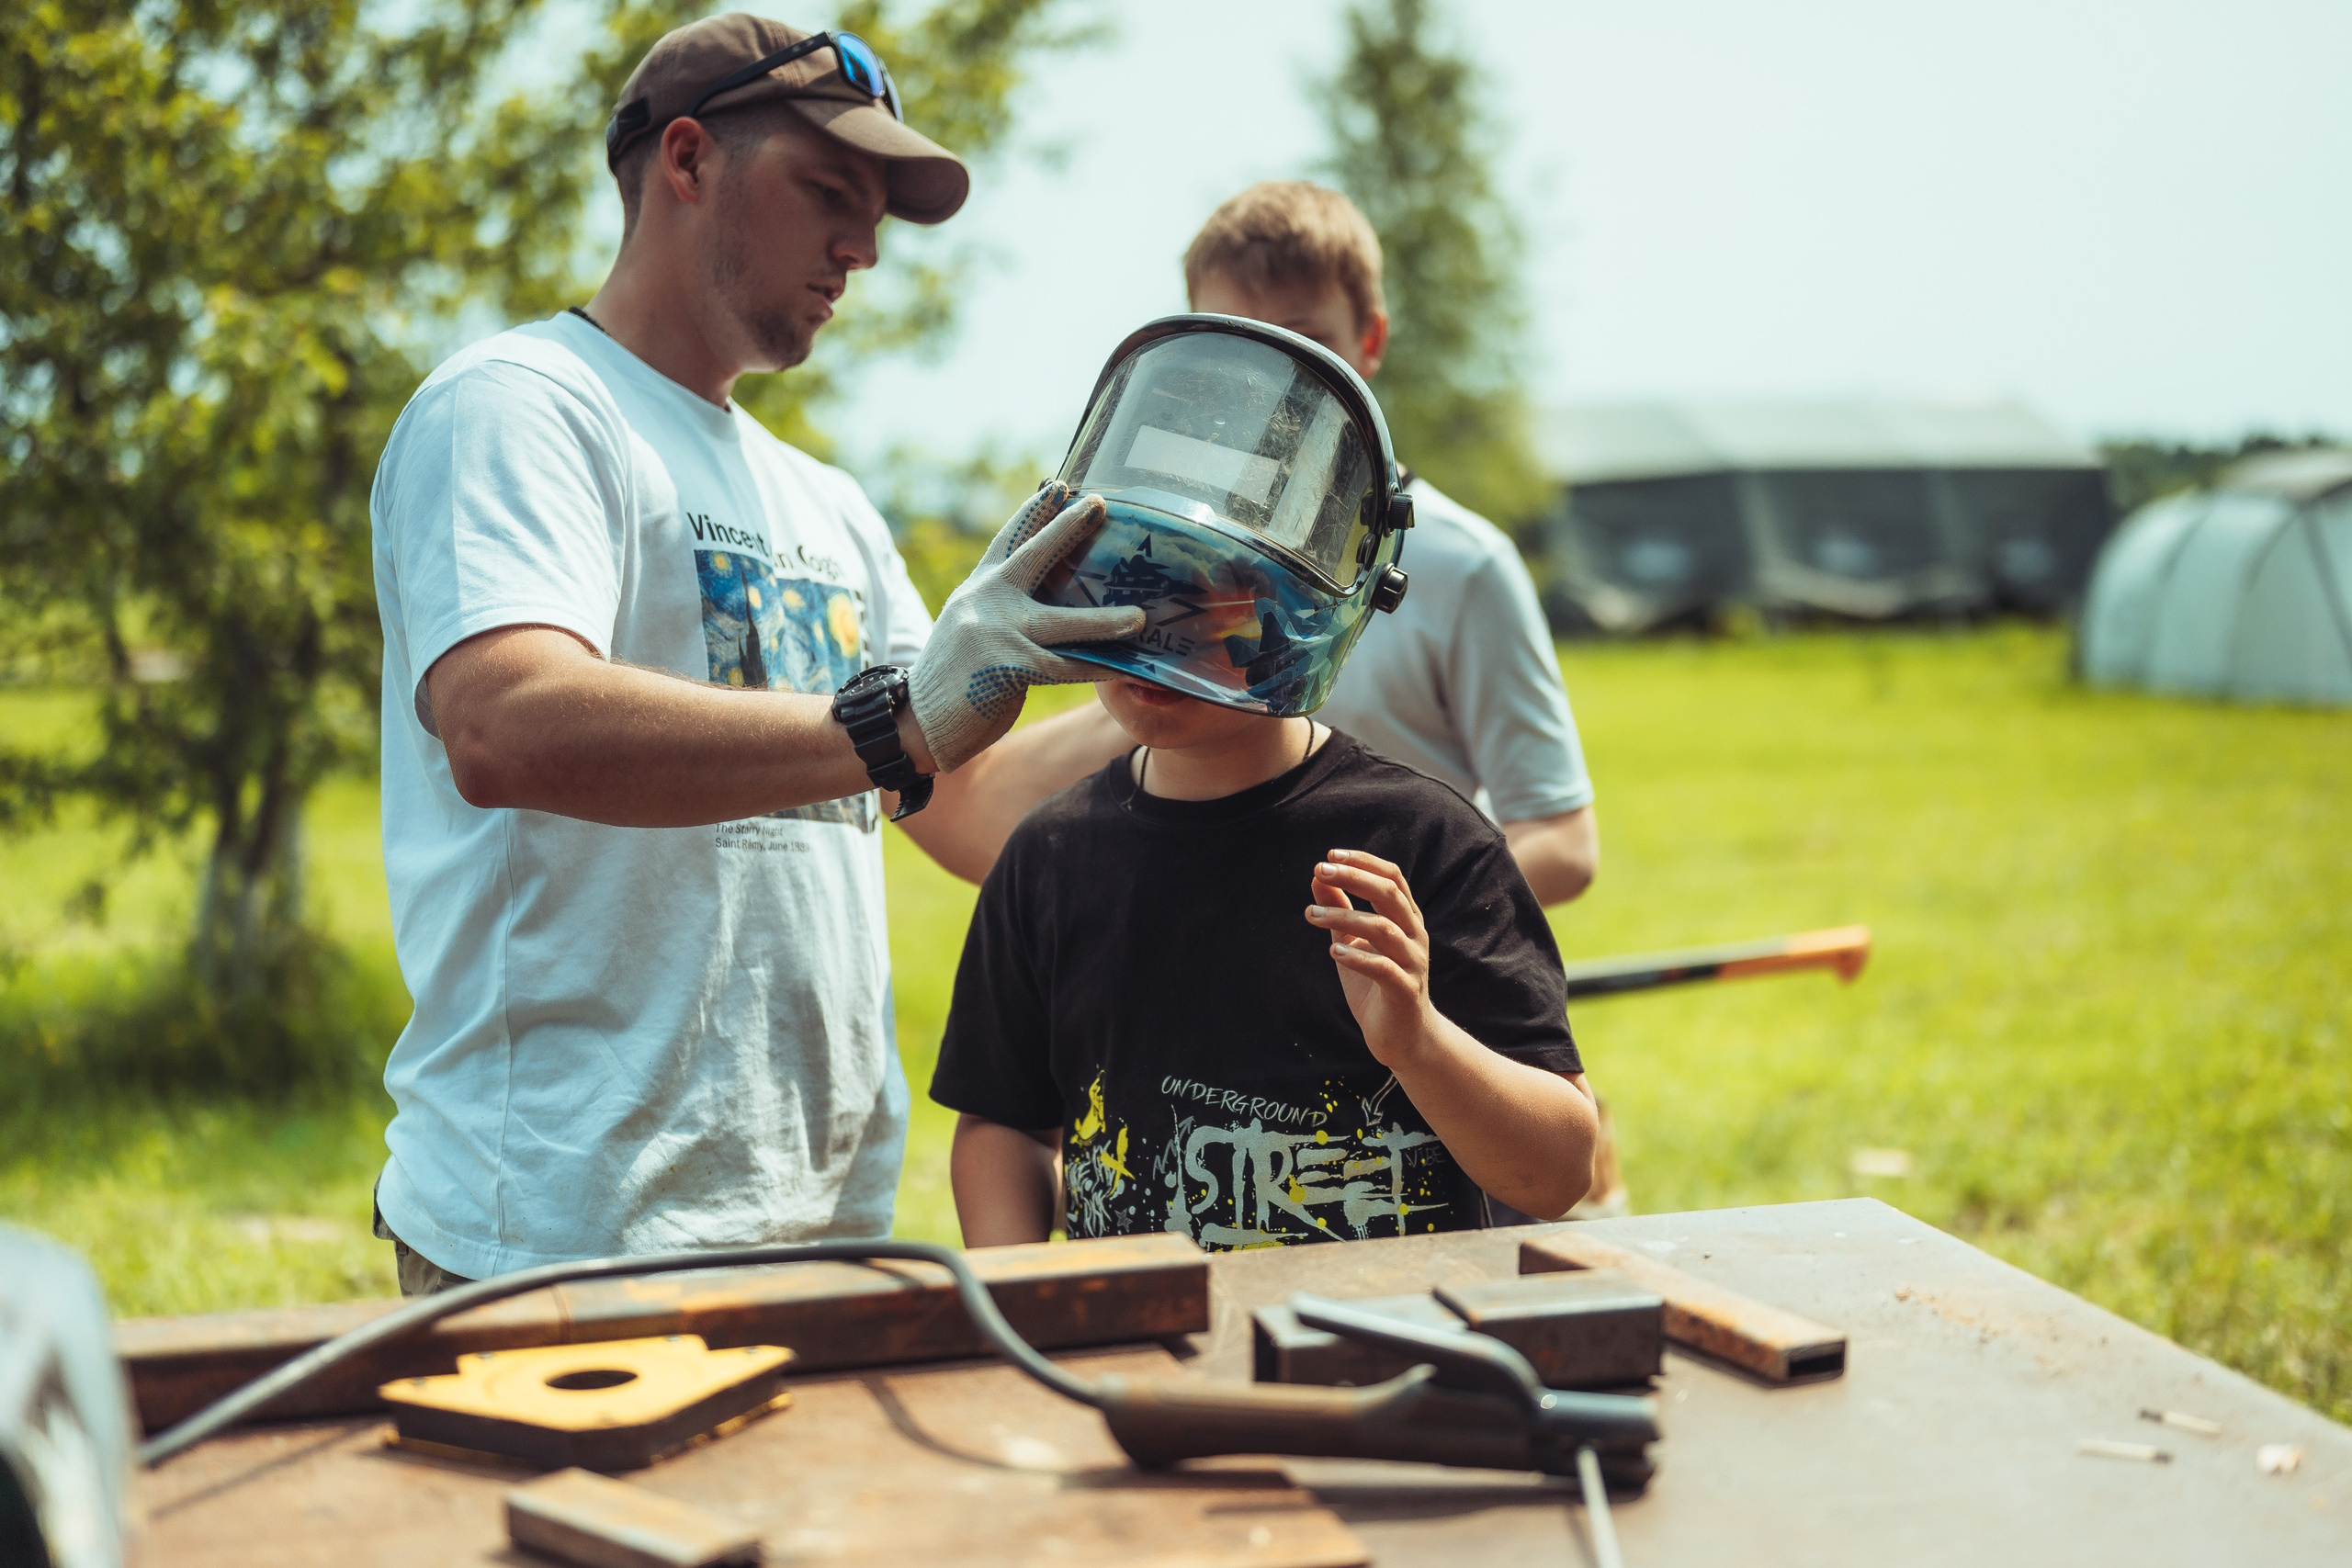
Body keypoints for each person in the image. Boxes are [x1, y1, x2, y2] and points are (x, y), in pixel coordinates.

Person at [366, 15, 1143, 1293]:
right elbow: (505, 722)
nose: (863, 250)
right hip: (563, 1232)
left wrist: (1163, 678)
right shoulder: (519, 405)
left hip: (822, 1223)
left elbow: (963, 804)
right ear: (687, 160)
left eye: (874, 217)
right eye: (828, 192)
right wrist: (896, 720)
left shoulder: (826, 503)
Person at [932, 317, 1599, 1249]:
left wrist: (1417, 1040)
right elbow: (1005, 1124)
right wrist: (1026, 1298)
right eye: (1120, 587)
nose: (1147, 632)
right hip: (1143, 1343)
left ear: (1293, 617)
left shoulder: (1423, 841)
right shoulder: (1045, 858)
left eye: (1198, 603)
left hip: (1387, 1336)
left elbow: (1558, 1173)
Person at [1184, 181, 1625, 1215]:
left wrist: (1387, 935)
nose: (1275, 384)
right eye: (1239, 346)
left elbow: (1563, 839)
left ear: (1370, 340)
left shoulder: (1465, 566)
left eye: (1306, 345)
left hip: (1427, 1045)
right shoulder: (1178, 564)